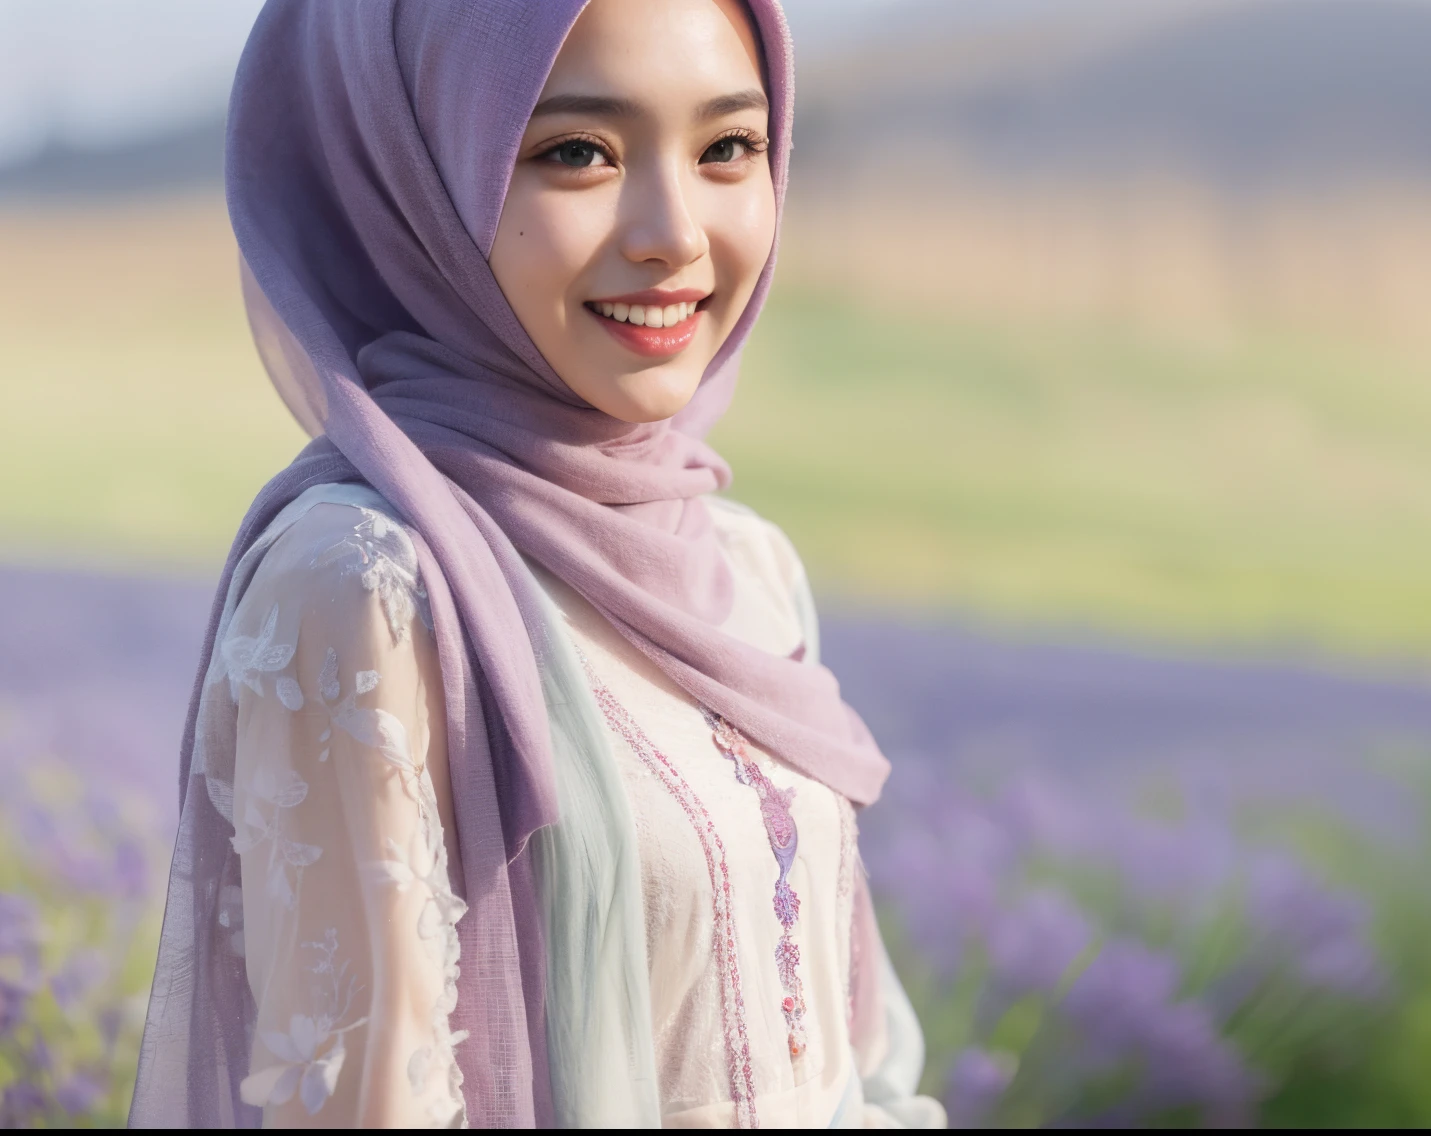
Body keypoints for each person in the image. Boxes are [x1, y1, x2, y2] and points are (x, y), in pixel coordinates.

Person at [129, 0, 943, 1126]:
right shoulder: (369, 587)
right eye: (577, 151)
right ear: (409, 182)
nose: (674, 233)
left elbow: (858, 1074)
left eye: (727, 148)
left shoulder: (742, 567)